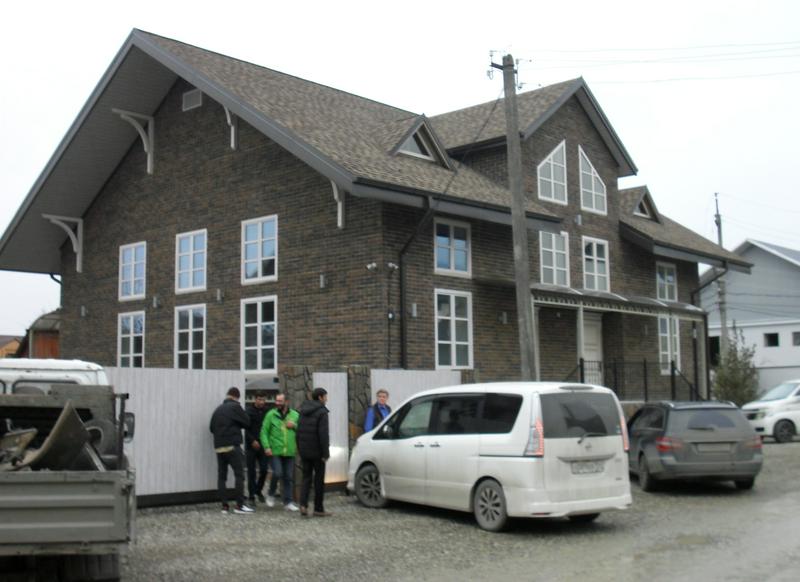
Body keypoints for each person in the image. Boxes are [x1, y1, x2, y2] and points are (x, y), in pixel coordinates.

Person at [209, 387, 254, 514]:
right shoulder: (235, 407)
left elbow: (211, 428)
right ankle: (240, 505)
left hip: (219, 447)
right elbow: (247, 422)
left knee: (222, 476)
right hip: (232, 446)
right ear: (236, 397)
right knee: (239, 474)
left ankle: (224, 506)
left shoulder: (217, 410)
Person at [260, 392, 300, 511]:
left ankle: (288, 502)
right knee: (277, 473)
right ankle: (271, 494)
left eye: (280, 401)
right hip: (274, 451)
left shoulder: (295, 415)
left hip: (289, 451)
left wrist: (294, 426)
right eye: (276, 401)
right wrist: (266, 447)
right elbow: (264, 432)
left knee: (288, 477)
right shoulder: (270, 415)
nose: (277, 403)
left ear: (286, 402)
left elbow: (302, 430)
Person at [297, 387, 331, 517]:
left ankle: (303, 505)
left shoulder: (303, 410)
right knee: (318, 480)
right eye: (326, 397)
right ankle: (318, 508)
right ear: (321, 397)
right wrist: (325, 453)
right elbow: (323, 435)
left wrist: (300, 449)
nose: (327, 399)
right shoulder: (322, 412)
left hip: (305, 451)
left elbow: (298, 431)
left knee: (306, 478)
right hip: (317, 453)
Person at [245, 392, 270, 504]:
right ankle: (251, 496)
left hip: (263, 445)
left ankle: (258, 490)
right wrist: (252, 440)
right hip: (251, 446)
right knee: (251, 472)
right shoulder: (248, 411)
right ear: (255, 400)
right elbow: (245, 428)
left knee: (264, 470)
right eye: (259, 399)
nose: (261, 402)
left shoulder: (267, 412)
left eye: (263, 400)